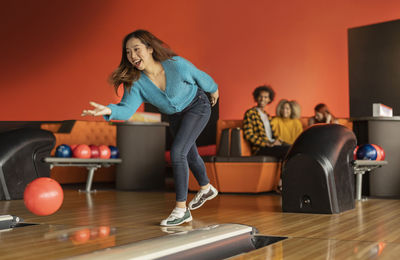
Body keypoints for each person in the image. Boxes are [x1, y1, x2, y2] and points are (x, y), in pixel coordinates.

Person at [81, 30, 219, 226]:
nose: (132, 56)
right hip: (175, 116)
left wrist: (214, 89)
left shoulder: (176, 65)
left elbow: (201, 77)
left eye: (137, 49)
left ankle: (181, 210)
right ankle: (206, 188)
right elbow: (127, 109)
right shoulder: (136, 83)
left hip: (197, 106)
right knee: (188, 153)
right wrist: (109, 110)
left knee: (179, 151)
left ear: (150, 49)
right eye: (128, 52)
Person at [243, 85, 290, 159]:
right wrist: (266, 143)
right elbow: (248, 135)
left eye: (265, 97)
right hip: (260, 148)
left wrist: (279, 142)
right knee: (287, 150)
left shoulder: (267, 116)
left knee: (292, 147)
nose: (262, 99)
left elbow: (273, 136)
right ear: (256, 98)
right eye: (260, 96)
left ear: (269, 99)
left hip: (271, 144)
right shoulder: (250, 113)